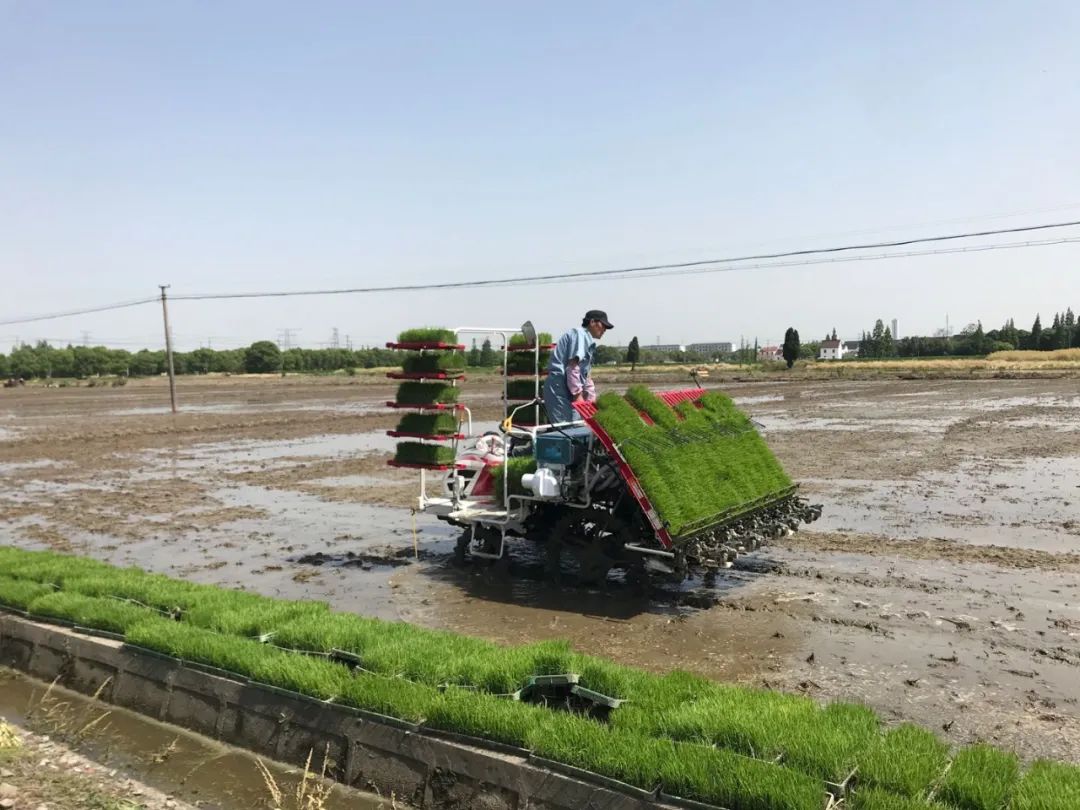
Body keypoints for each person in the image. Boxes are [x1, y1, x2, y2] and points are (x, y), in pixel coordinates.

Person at [542, 310, 613, 424]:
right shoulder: (580, 335)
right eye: (603, 325)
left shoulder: (588, 341)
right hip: (559, 387)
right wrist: (578, 395)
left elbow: (586, 376)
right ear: (592, 322)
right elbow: (572, 367)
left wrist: (591, 400)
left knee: (576, 426)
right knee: (566, 428)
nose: (604, 329)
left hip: (569, 388)